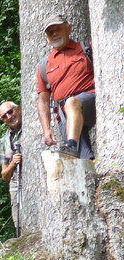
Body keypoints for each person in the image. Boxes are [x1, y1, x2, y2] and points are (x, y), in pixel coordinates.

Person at [36, 15, 95, 159]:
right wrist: (46, 129)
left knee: (72, 103)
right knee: (81, 160)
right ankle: (94, 177)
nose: (54, 34)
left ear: (69, 29)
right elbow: (43, 100)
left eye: (58, 29)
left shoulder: (87, 47)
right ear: (46, 38)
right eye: (50, 32)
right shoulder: (45, 64)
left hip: (91, 100)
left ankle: (71, 145)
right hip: (65, 114)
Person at [0, 101, 23, 234]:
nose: (9, 117)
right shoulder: (3, 141)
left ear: (18, 109)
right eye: (4, 116)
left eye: (10, 112)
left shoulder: (32, 126)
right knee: (19, 224)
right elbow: (4, 176)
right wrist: (12, 163)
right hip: (16, 185)